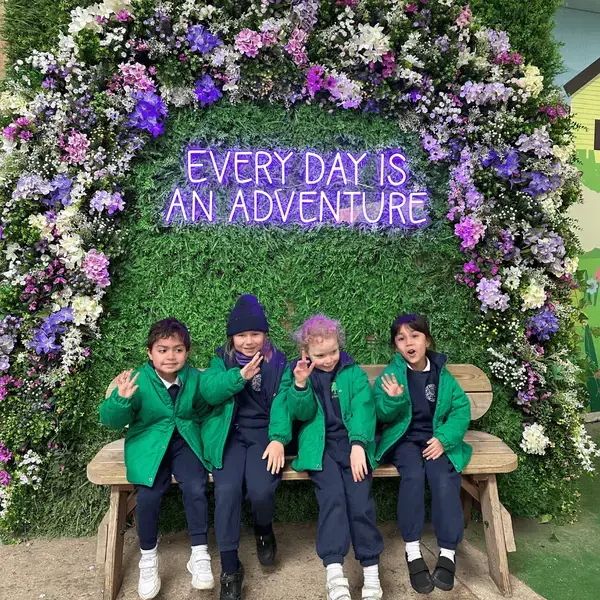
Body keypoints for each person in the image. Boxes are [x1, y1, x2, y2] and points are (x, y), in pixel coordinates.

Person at [374, 313, 472, 593]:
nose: (409, 343)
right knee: (413, 478)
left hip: (435, 440)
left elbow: (460, 409)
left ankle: (447, 553)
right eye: (401, 338)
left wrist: (443, 438)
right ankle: (413, 549)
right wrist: (392, 399)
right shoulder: (391, 374)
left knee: (443, 479)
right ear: (396, 346)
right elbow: (380, 413)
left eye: (415, 336)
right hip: (404, 441)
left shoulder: (441, 374)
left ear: (426, 340)